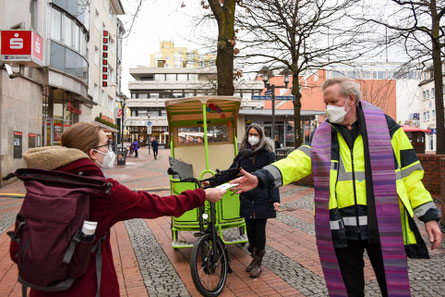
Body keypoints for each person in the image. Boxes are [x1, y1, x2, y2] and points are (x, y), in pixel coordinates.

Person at [231, 77, 442, 296]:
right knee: (349, 292)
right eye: (326, 103)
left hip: (383, 227)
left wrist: (429, 216)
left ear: (351, 99)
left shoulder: (387, 129)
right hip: (342, 230)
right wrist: (261, 177)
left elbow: (410, 177)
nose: (328, 108)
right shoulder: (323, 134)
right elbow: (296, 162)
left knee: (393, 290)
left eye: (332, 101)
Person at [9, 122, 225, 297]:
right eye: (106, 146)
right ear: (92, 153)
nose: (109, 151)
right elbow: (155, 204)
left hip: (41, 285)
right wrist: (201, 195)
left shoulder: (45, 180)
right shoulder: (102, 190)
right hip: (86, 285)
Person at [205, 123, 280, 278]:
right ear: (247, 136)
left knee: (259, 231)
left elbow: (273, 178)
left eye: (256, 135)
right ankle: (254, 256)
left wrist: (275, 199)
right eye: (251, 134)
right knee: (250, 232)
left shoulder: (268, 154)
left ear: (261, 136)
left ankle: (258, 261)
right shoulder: (242, 154)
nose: (253, 137)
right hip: (246, 198)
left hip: (262, 198)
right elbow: (230, 173)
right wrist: (211, 182)